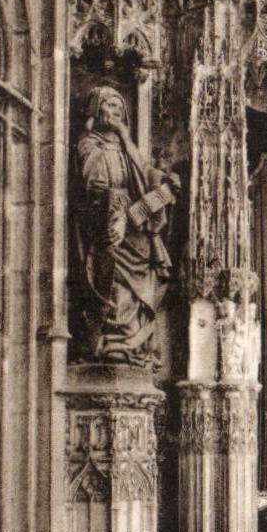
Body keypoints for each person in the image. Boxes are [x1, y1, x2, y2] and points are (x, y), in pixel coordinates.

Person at [75, 85, 178, 365]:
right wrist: (118, 215)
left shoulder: (124, 145)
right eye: (110, 105)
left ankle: (131, 343)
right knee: (116, 282)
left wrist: (164, 182)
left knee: (145, 277)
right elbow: (93, 188)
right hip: (105, 222)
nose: (117, 111)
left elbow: (143, 172)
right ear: (95, 109)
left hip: (132, 225)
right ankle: (114, 342)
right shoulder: (88, 144)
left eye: (120, 107)